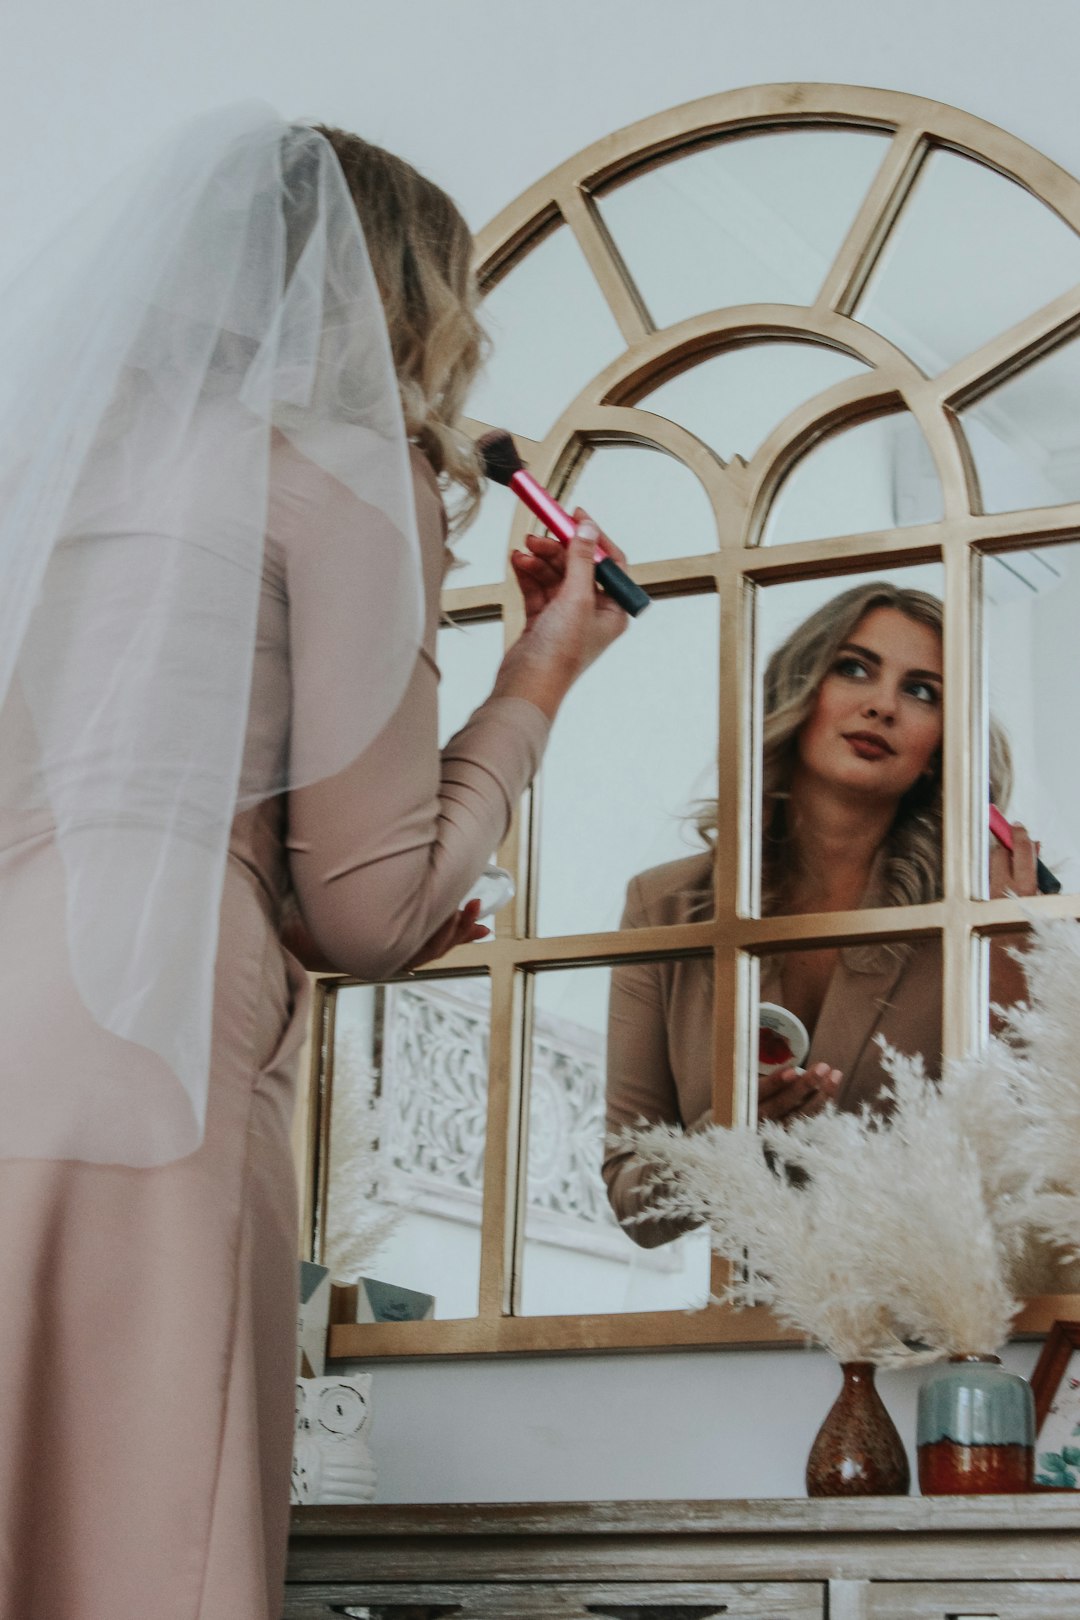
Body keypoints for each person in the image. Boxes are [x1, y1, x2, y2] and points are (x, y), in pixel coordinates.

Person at [0, 109, 626, 1619]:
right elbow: (375, 910)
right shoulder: (344, 467)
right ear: (404, 302)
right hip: (148, 1048)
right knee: (144, 1540)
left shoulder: (55, 462)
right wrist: (537, 676)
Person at [603, 580, 1039, 1249]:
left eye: (922, 691)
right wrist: (731, 1136)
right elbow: (635, 1205)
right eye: (855, 668)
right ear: (800, 692)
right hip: (750, 1340)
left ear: (941, 753)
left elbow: (1035, 1165)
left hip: (953, 1331)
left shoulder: (980, 918)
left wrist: (1012, 953)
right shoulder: (664, 907)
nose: (882, 706)